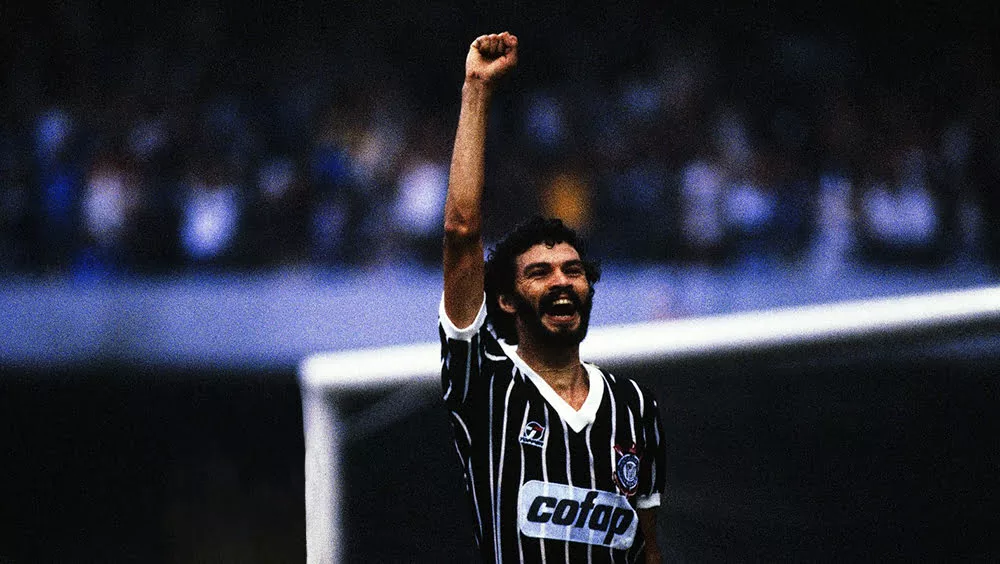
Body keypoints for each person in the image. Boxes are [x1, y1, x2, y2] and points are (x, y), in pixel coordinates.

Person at [439, 32, 666, 563]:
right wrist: (476, 88)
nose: (562, 281)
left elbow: (648, 550)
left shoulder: (635, 407)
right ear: (506, 300)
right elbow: (461, 232)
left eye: (573, 270)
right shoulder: (487, 382)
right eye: (539, 273)